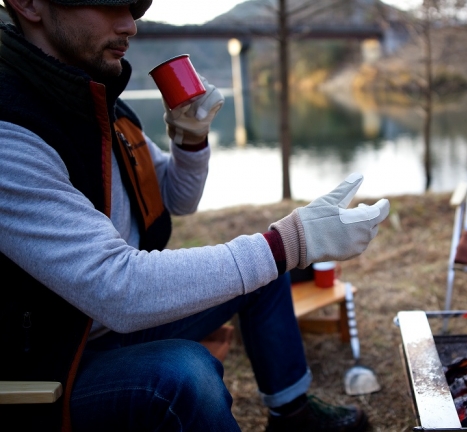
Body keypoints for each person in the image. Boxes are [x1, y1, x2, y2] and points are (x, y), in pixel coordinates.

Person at [0, 1, 390, 431]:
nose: (130, 23)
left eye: (132, 6)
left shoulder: (93, 99)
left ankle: (293, 414)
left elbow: (176, 197)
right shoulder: (11, 130)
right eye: (108, 3)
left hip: (104, 324)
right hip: (47, 366)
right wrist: (290, 242)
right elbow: (117, 286)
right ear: (30, 3)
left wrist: (190, 137)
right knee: (186, 374)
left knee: (263, 271)